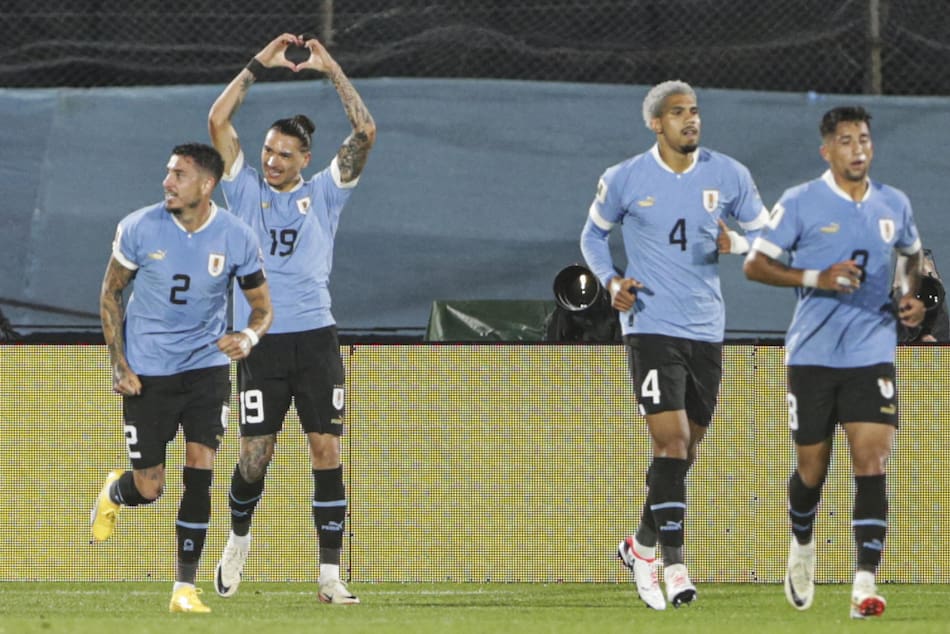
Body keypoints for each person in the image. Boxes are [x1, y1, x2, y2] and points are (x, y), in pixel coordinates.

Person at [580, 80, 769, 609]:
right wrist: (611, 282)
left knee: (686, 451)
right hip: (649, 325)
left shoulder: (729, 174)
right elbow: (592, 235)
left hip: (706, 329)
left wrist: (739, 243)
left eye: (695, 110)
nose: (691, 119)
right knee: (671, 442)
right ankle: (673, 565)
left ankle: (638, 545)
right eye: (678, 112)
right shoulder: (625, 178)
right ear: (655, 123)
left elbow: (771, 233)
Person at [207, 33, 376, 604]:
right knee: (255, 458)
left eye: (284, 154)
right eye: (268, 151)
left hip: (316, 339)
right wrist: (259, 64)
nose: (272, 161)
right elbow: (217, 120)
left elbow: (365, 133)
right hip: (262, 343)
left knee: (326, 450)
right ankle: (238, 539)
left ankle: (329, 575)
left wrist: (331, 69)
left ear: (305, 159)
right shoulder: (243, 191)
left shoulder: (326, 193)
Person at [743, 106, 925, 619]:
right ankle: (802, 541)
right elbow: (756, 264)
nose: (857, 148)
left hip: (872, 350)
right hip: (813, 355)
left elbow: (911, 254)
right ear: (827, 151)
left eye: (863, 139)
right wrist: (815, 278)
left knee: (872, 461)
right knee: (812, 470)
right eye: (846, 140)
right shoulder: (801, 201)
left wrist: (909, 295)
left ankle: (864, 584)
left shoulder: (893, 203)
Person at [92, 142, 273, 613]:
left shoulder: (236, 236)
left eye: (179, 175)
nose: (167, 182)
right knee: (149, 488)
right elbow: (110, 293)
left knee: (200, 472)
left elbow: (262, 308)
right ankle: (116, 491)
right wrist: (119, 363)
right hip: (148, 372)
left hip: (205, 368)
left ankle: (184, 588)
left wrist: (248, 337)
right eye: (168, 172)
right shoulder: (139, 227)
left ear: (207, 185)